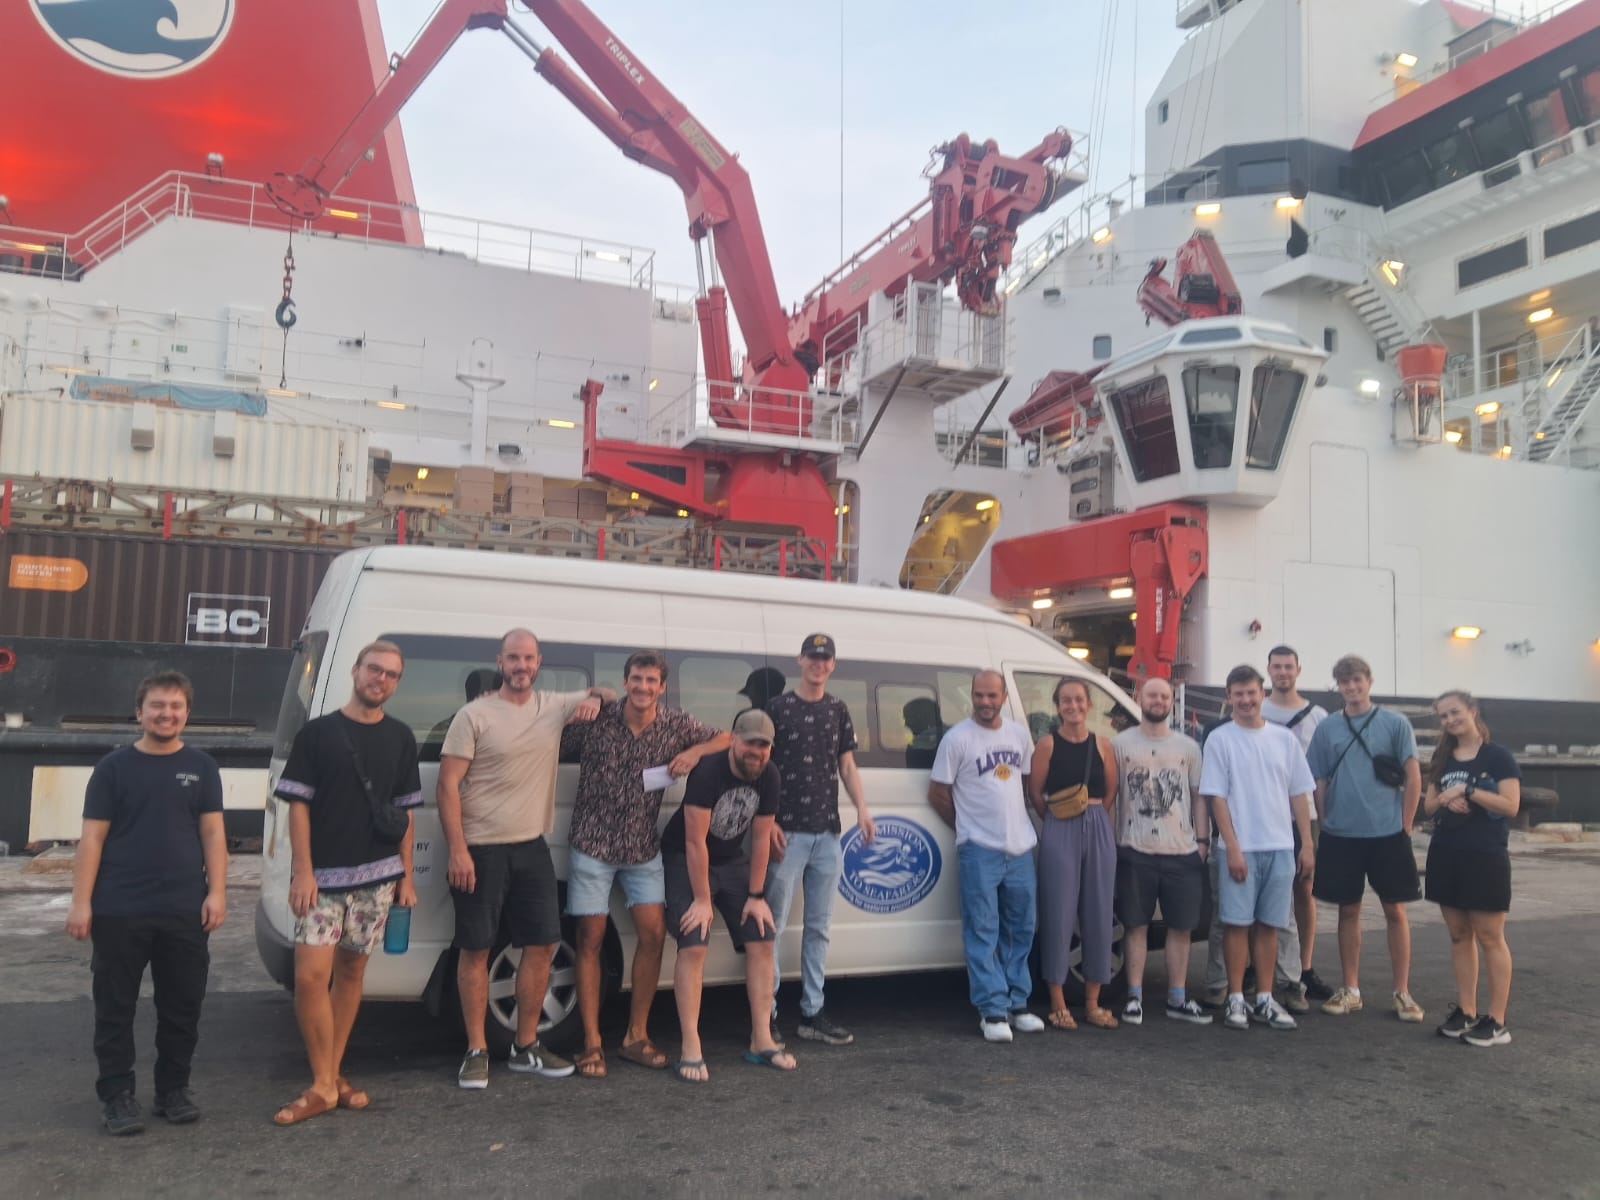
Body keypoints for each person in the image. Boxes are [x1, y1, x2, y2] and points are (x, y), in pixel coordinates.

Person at [438, 628, 608, 1090]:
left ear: (539, 662)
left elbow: (611, 692)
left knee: (545, 944)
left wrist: (594, 699)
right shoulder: (473, 715)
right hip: (480, 847)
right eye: (513, 658)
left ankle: (525, 1045)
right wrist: (458, 850)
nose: (521, 666)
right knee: (476, 948)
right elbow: (447, 785)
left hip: (532, 846)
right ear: (500, 662)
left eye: (528, 658)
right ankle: (476, 1051)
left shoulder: (553, 705)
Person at [66, 671, 227, 1136]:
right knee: (114, 1009)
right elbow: (92, 839)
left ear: (187, 714)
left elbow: (213, 833)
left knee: (182, 1007)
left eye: (176, 706)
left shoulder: (203, 767)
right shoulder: (113, 768)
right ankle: (117, 1096)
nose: (166, 714)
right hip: (119, 909)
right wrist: (81, 903)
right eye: (157, 705)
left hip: (184, 909)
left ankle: (173, 1089)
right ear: (139, 712)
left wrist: (217, 892)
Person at [271, 640, 421, 1126]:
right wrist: (302, 871)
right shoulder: (318, 734)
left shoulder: (401, 737)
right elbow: (298, 806)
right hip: (322, 881)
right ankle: (322, 1083)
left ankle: (330, 1077)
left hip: (377, 879)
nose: (381, 680)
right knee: (310, 978)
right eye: (374, 669)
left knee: (352, 974)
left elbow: (404, 813)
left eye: (392, 675)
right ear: (356, 671)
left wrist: (405, 876)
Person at [561, 650, 727, 1079]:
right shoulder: (599, 718)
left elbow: (727, 738)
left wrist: (695, 753)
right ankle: (591, 1043)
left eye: (651, 681)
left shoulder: (675, 724)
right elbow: (548, 734)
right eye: (636, 679)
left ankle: (636, 1036)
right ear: (625, 681)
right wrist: (590, 694)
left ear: (662, 687)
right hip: (591, 846)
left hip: (641, 849)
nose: (643, 687)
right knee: (590, 939)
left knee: (654, 934)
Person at [659, 708, 794, 1082]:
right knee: (694, 940)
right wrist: (703, 900)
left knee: (762, 935)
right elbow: (694, 842)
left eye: (764, 745)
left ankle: (762, 1040)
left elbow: (762, 838)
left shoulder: (770, 775)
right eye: (750, 743)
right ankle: (691, 1047)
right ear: (734, 739)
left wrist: (756, 895)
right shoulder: (709, 772)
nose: (756, 752)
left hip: (731, 859)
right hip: (684, 855)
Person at [766, 633, 876, 1046]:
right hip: (787, 832)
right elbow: (761, 767)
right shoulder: (777, 708)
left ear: (833, 664)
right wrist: (766, 821)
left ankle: (812, 1012)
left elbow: (846, 764)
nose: (818, 663)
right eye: (812, 657)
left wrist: (862, 808)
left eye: (825, 658)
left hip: (828, 833)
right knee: (773, 927)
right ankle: (766, 1013)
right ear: (800, 660)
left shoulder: (838, 709)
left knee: (819, 928)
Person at [1305, 654, 1424, 1022]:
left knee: (1395, 910)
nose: (1351, 687)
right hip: (1342, 833)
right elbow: (1319, 780)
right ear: (1338, 687)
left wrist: (1406, 824)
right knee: (1348, 910)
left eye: (1357, 680)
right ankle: (1351, 989)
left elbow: (1413, 776)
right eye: (1344, 682)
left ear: (1369, 682)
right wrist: (1325, 823)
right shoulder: (1328, 728)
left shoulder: (1395, 723)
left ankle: (1403, 991)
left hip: (1388, 832)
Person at [928, 670, 1043, 1043]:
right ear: (972, 695)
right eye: (979, 695)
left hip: (1020, 848)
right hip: (979, 849)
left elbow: (1023, 784)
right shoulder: (956, 739)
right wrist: (966, 828)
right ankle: (992, 1010)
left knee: (1021, 928)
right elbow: (938, 793)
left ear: (1004, 696)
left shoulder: (1019, 735)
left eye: (992, 695)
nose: (985, 702)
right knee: (982, 929)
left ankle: (1017, 1003)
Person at [1200, 665, 1315, 1032]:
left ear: (1262, 694)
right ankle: (1236, 998)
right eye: (1239, 694)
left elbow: (1299, 795)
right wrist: (1232, 847)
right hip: (1240, 848)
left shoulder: (1284, 740)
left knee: (1269, 925)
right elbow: (1216, 797)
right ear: (1229, 697)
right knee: (1236, 924)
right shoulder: (1220, 739)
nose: (1246, 700)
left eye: (1251, 693)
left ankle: (1264, 998)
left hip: (1280, 846)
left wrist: (1306, 844)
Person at [1111, 677, 1212, 1027]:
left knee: (1181, 927)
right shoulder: (1120, 744)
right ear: (1140, 698)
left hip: (1180, 850)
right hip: (1133, 847)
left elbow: (1199, 797)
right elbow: (1112, 797)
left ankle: (1177, 998)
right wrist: (1112, 842)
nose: (1158, 701)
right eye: (1152, 695)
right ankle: (1134, 997)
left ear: (1171, 701)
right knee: (1135, 925)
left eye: (1164, 696)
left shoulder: (1189, 747)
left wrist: (1202, 842)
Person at [1422, 691, 1520, 1047]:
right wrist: (1447, 798)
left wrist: (1468, 790)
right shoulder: (1443, 757)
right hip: (1447, 853)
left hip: (1485, 855)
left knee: (1490, 937)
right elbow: (1429, 806)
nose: (1450, 720)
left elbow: (1510, 805)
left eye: (1455, 712)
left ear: (1473, 712)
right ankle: (1466, 1010)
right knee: (1459, 935)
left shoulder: (1498, 757)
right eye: (1443, 716)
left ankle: (1497, 1020)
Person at [1027, 677, 1120, 1030]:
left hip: (1097, 824)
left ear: (1089, 704)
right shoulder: (1047, 745)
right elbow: (1036, 793)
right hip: (1059, 826)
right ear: (1057, 706)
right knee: (1058, 913)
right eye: (1066, 700)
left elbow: (1110, 790)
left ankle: (1093, 1002)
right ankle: (1058, 1002)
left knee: (1099, 912)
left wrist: (1093, 817)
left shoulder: (1103, 745)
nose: (1073, 706)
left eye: (1079, 700)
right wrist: (1058, 821)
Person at [1262, 644, 1331, 1008]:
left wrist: (1322, 823)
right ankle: (1260, 967)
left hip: (1304, 817)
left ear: (1298, 670)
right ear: (1269, 671)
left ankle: (1304, 968)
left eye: (1288, 666)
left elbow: (1323, 773)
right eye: (1277, 666)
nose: (1283, 672)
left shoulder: (1318, 716)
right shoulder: (1254, 708)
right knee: (1263, 891)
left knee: (1304, 891)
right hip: (1263, 815)